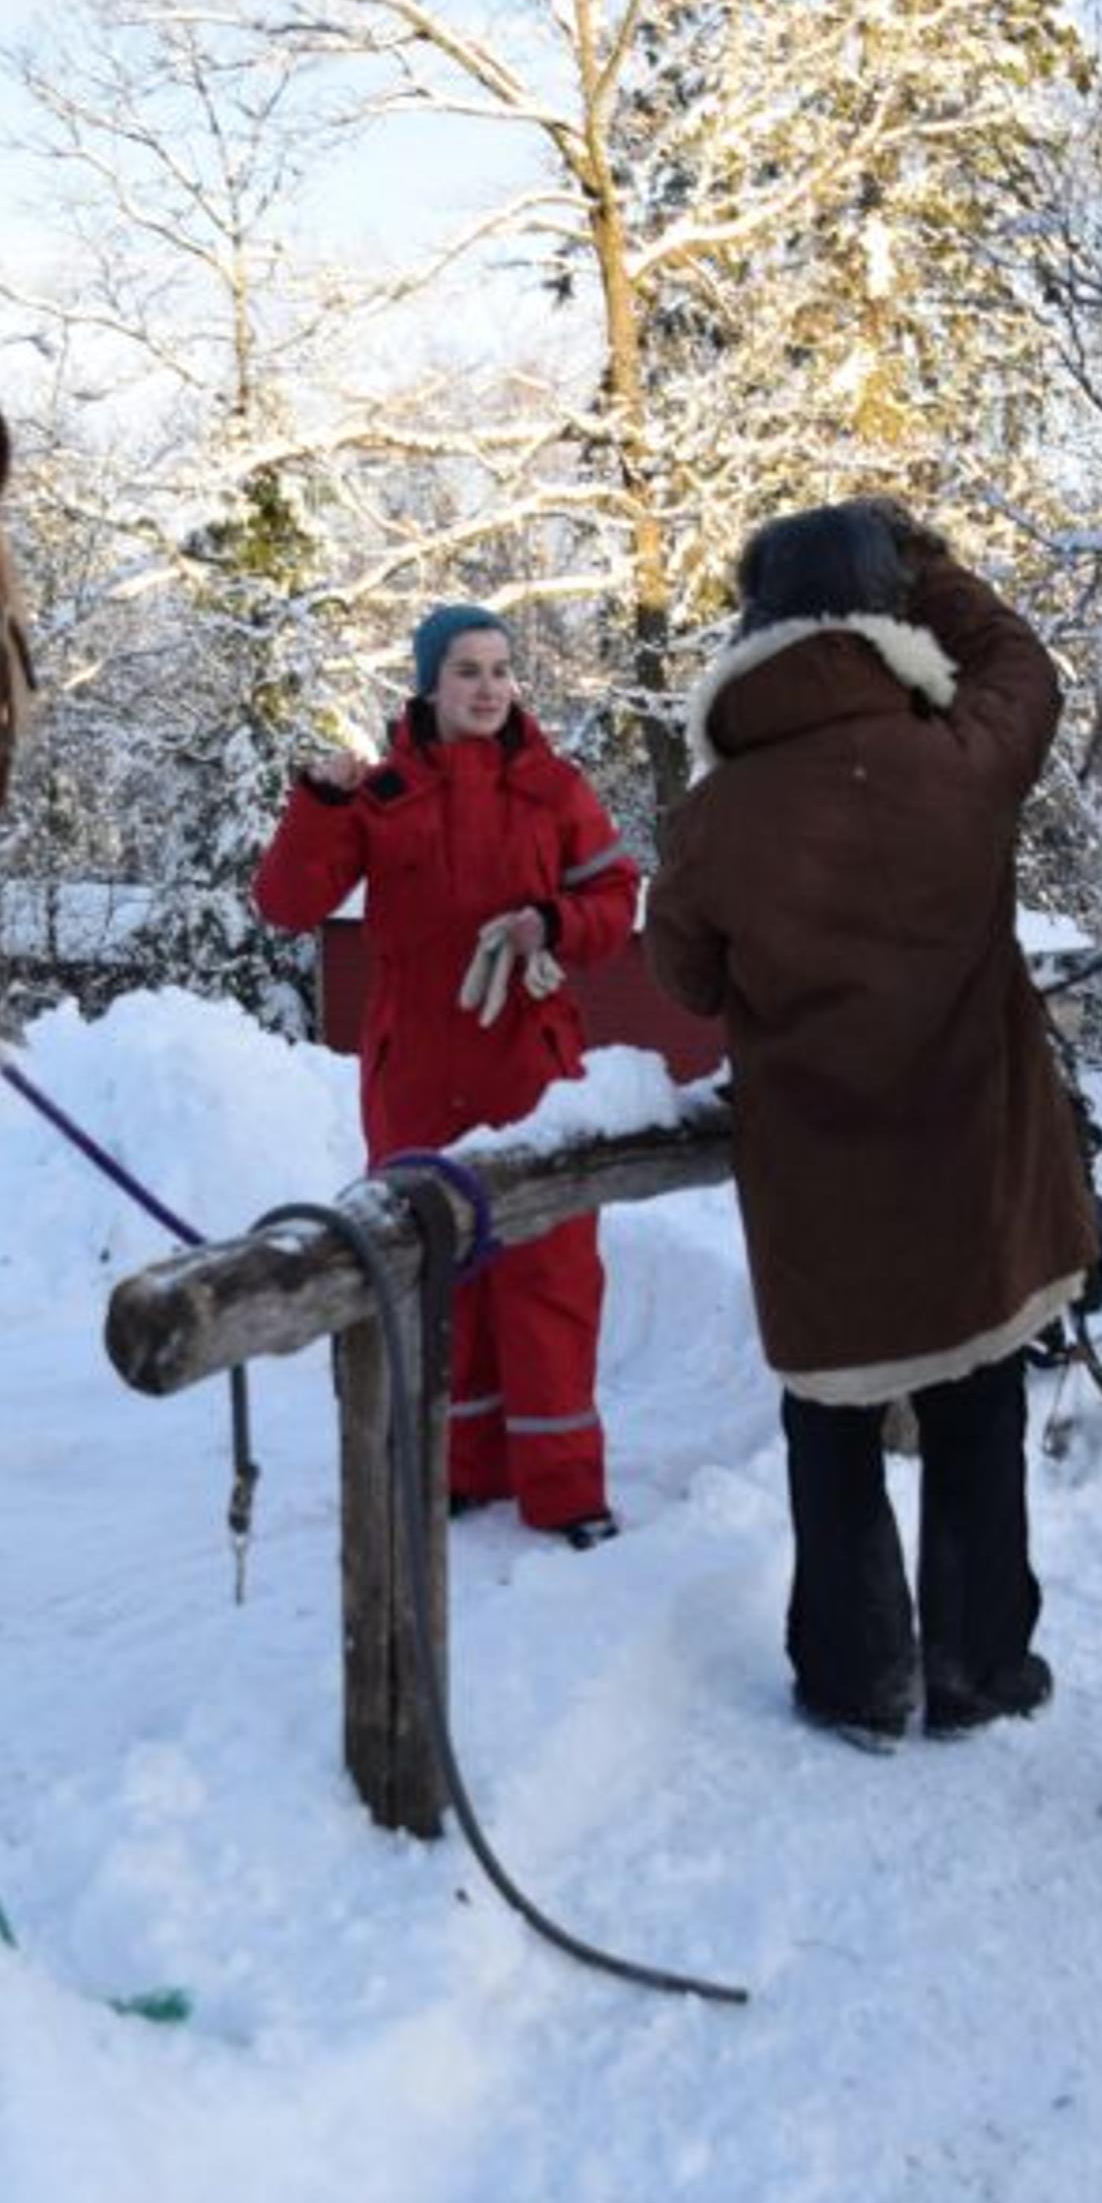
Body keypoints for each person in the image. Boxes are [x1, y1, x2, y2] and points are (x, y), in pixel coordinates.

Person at [645, 503, 1101, 1739]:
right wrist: (936, 571)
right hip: (968, 1166)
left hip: (819, 1193)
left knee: (833, 1429)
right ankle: (975, 1666)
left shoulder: (718, 814)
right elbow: (1025, 668)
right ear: (883, 614)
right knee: (978, 1405)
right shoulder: (956, 756)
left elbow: (682, 974)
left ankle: (858, 1676)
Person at [254, 604, 642, 1545]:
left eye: (501, 669)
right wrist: (318, 804)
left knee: (548, 1275)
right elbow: (287, 904)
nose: (489, 687)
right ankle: (458, 1470)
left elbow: (615, 897)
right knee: (438, 1276)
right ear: (429, 685)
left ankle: (565, 1489)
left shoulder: (556, 788)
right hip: (417, 1078)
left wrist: (551, 922)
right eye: (467, 670)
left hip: (532, 1072)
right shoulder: (382, 795)